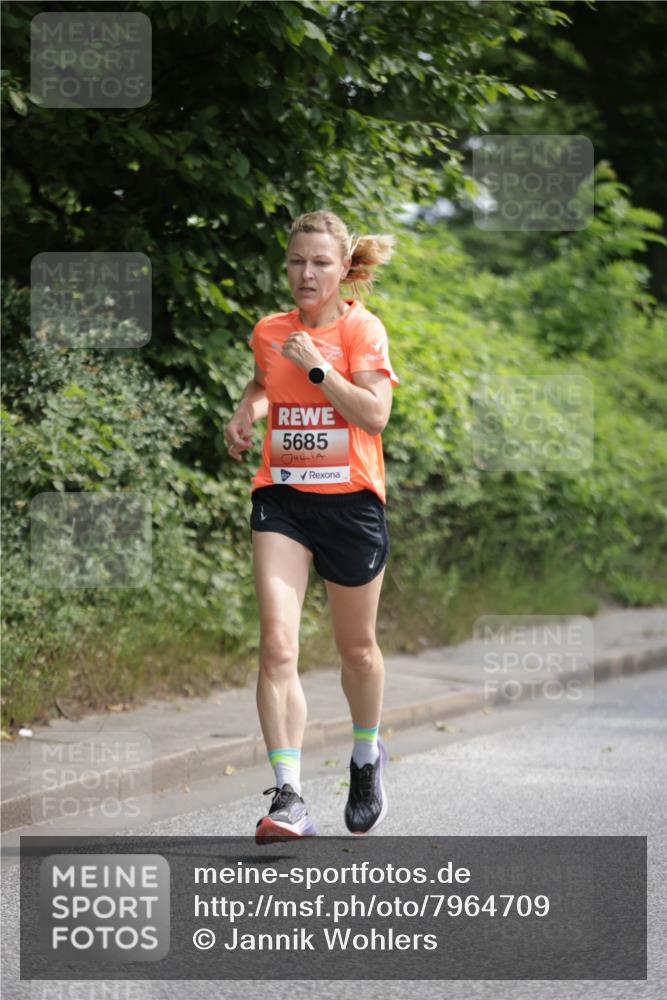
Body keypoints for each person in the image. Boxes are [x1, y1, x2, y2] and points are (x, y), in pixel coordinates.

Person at [224, 209, 400, 844]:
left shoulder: (361, 329)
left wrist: (322, 368)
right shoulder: (270, 331)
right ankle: (290, 795)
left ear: (343, 267)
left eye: (320, 262)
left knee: (356, 650)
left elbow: (375, 415)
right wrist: (247, 409)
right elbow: (269, 379)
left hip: (351, 503)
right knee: (276, 645)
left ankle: (365, 755)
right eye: (297, 260)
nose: (306, 272)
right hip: (283, 500)